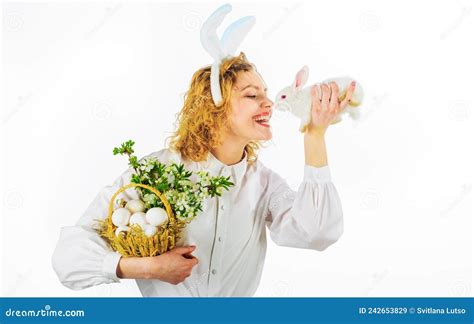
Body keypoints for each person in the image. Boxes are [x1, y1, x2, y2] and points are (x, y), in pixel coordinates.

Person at [51, 52, 356, 296]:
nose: (268, 102)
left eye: (265, 93)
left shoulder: (263, 184)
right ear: (214, 108)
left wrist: (314, 135)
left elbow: (318, 232)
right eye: (252, 95)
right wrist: (147, 268)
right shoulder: (154, 174)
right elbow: (68, 258)